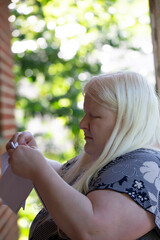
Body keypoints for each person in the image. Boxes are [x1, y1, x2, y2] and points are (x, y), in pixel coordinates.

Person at [6, 71, 160, 240]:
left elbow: (94, 231)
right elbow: (66, 183)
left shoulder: (144, 166)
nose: (82, 124)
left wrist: (38, 169)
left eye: (94, 116)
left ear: (127, 120)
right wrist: (34, 158)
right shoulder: (111, 157)